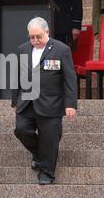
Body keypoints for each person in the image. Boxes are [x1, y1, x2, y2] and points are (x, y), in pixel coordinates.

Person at [12, 17, 77, 185]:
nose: (35, 40)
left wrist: (70, 104)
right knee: (21, 130)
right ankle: (40, 153)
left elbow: (69, 78)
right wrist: (14, 100)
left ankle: (47, 173)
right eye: (31, 37)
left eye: (38, 36)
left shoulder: (61, 50)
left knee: (50, 138)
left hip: (51, 102)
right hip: (26, 101)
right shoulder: (22, 50)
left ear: (47, 32)